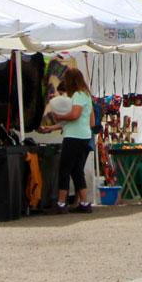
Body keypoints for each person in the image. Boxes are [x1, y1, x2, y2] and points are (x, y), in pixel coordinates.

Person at [47, 67, 95, 214]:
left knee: (65, 169)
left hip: (74, 137)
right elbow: (92, 121)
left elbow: (74, 115)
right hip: (84, 136)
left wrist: (60, 117)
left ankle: (61, 203)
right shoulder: (86, 95)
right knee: (76, 170)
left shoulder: (78, 95)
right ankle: (85, 202)